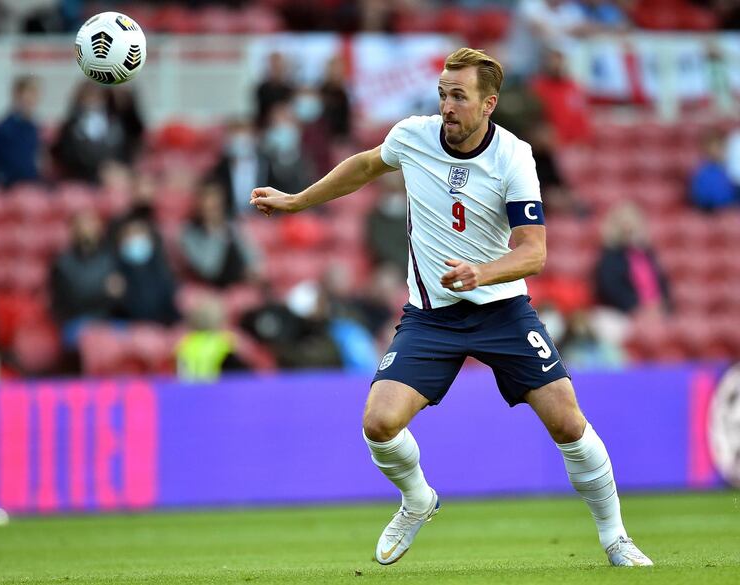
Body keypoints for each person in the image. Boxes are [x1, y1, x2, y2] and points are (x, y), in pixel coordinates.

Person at [250, 48, 652, 567]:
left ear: (488, 104)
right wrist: (298, 200)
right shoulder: (413, 137)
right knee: (378, 422)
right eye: (443, 93)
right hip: (432, 316)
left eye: (458, 96)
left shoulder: (513, 156)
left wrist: (480, 273)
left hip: (503, 311)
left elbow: (534, 251)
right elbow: (365, 165)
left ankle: (616, 537)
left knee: (567, 423)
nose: (446, 105)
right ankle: (417, 499)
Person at [49, 209, 119, 348]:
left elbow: (121, 295)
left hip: (109, 321)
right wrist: (104, 291)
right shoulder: (63, 263)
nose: (86, 229)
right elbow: (69, 300)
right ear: (72, 230)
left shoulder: (111, 258)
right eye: (81, 225)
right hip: (77, 322)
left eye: (91, 224)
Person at [179, 180, 260, 289]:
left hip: (237, 288)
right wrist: (215, 231)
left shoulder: (233, 225)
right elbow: (209, 269)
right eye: (208, 199)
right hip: (206, 290)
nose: (213, 205)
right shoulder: (189, 234)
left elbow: (253, 259)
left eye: (216, 200)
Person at [594, 202, 671, 315]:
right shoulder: (610, 257)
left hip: (655, 310)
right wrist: (637, 307)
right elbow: (611, 288)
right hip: (625, 312)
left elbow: (661, 283)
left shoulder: (648, 254)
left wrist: (661, 306)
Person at [0, 75, 43, 188]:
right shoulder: (4, 128)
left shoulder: (34, 127)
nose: (31, 99)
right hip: (10, 185)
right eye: (28, 93)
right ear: (17, 95)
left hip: (32, 183)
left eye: (34, 94)